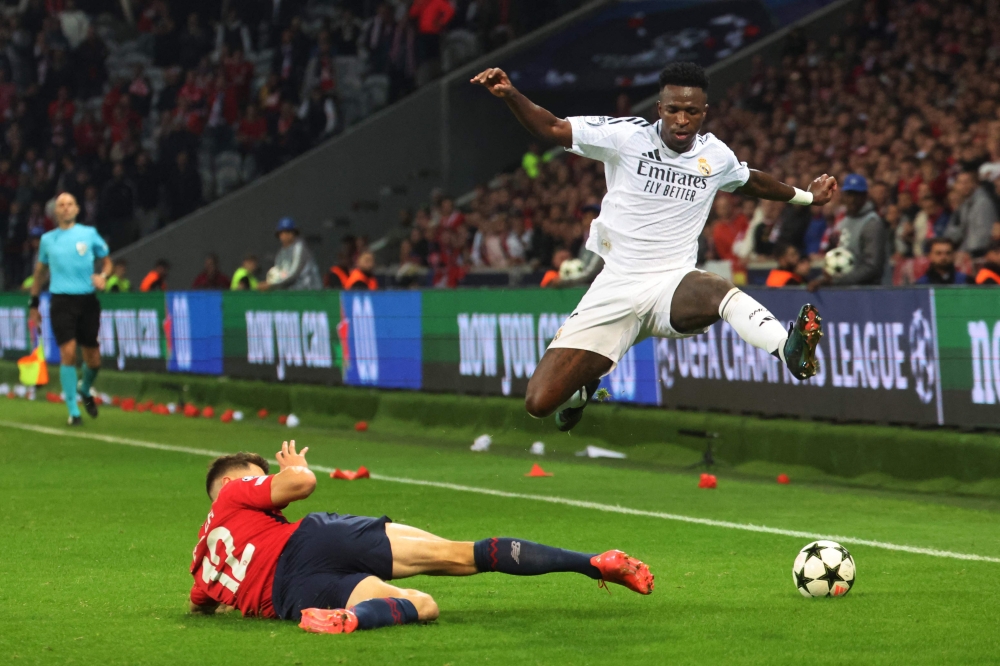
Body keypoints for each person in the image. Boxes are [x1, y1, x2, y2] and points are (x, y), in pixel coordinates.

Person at [471, 62, 834, 432]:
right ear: (659, 109)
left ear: (703, 113)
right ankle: (583, 393)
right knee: (539, 403)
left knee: (715, 290)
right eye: (673, 109)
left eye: (691, 112)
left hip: (671, 284)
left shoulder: (715, 156)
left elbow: (750, 181)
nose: (681, 119)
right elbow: (552, 127)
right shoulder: (626, 137)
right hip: (616, 285)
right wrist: (511, 95)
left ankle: (788, 350)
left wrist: (807, 197)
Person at [189, 442, 653, 634]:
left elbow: (200, 602)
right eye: (258, 478)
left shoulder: (200, 562)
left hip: (293, 595)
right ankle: (592, 561)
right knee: (462, 554)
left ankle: (349, 621)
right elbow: (303, 486)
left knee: (423, 604)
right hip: (314, 542)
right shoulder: (233, 493)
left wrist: (226, 601)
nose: (263, 486)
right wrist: (293, 469)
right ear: (233, 486)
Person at [26, 192, 111, 426]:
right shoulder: (47, 240)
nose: (65, 208)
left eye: (69, 204)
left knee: (93, 359)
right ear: (55, 211)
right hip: (61, 300)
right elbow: (40, 273)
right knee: (68, 352)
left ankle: (85, 389)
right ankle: (73, 411)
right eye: (61, 205)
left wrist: (103, 276)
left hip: (87, 300)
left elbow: (107, 261)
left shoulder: (89, 234)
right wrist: (33, 303)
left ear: (77, 209)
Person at [808, 175, 887, 291]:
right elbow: (837, 258)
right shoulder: (843, 222)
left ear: (865, 196)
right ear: (844, 196)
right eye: (849, 194)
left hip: (868, 292)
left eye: (857, 195)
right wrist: (822, 279)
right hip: (846, 290)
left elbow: (872, 267)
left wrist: (836, 281)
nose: (852, 199)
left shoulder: (872, 223)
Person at [262, 218, 322, 290]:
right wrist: (271, 283)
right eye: (282, 232)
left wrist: (272, 284)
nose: (285, 235)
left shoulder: (299, 248)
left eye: (288, 232)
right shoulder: (280, 254)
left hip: (311, 291)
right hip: (294, 292)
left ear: (294, 233)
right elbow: (280, 272)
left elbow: (294, 273)